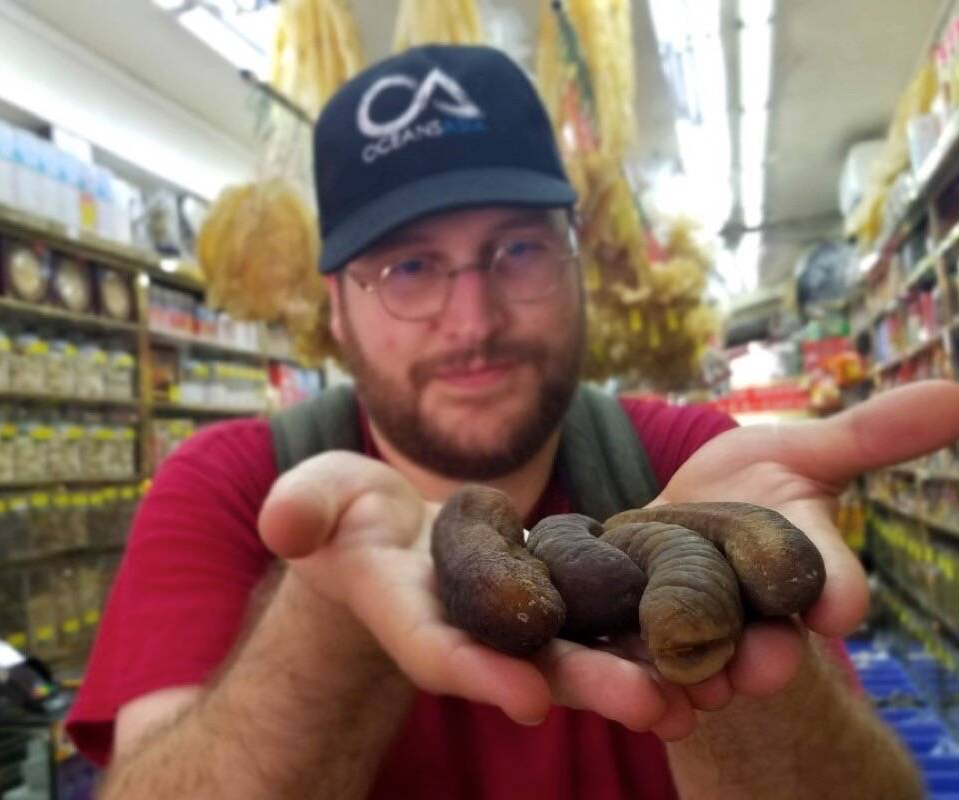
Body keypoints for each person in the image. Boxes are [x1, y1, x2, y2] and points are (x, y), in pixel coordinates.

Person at [70, 44, 948, 798]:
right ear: (334, 308)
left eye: (518, 249)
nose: (473, 319)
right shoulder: (229, 489)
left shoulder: (691, 457)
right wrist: (330, 613)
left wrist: (735, 656)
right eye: (409, 267)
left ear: (576, 263)